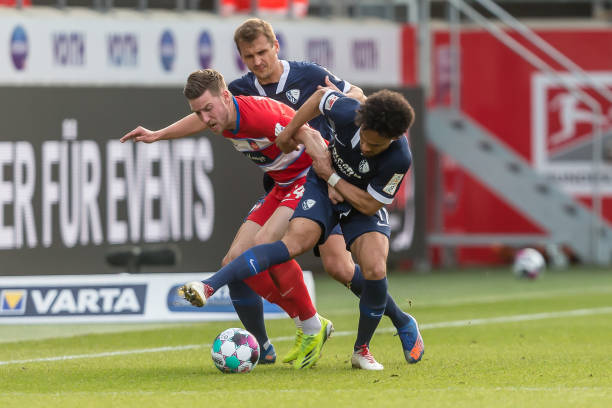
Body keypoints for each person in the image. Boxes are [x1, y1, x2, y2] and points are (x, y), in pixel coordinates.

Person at [122, 18, 419, 368]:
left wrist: (336, 146)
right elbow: (205, 115)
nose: (257, 61)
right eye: (249, 56)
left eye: (262, 52)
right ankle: (266, 345)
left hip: (319, 173)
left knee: (334, 265)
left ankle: (370, 322)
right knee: (239, 260)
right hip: (286, 183)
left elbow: (350, 102)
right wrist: (158, 134)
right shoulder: (238, 92)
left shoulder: (306, 76)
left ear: (276, 46)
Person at [180, 87, 424, 370]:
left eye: (376, 147)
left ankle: (363, 348)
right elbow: (319, 97)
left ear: (393, 139)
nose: (367, 149)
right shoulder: (349, 113)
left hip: (357, 200)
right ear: (361, 122)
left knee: (373, 268)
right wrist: (291, 130)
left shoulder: (399, 158)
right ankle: (210, 286)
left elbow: (369, 205)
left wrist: (332, 177)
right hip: (320, 187)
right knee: (292, 244)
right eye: (366, 141)